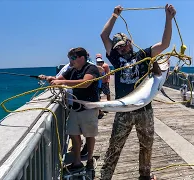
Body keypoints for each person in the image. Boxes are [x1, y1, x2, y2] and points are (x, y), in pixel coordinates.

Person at [99, 4, 176, 180]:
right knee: (115, 146)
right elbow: (103, 35)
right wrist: (114, 16)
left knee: (147, 144)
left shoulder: (143, 54)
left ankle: (145, 176)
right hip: (123, 110)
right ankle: (105, 176)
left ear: (129, 43)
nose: (122, 49)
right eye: (118, 47)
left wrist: (168, 18)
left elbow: (165, 44)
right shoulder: (115, 58)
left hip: (144, 110)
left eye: (124, 46)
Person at [46, 47, 100, 171]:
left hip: (89, 108)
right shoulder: (72, 70)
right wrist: (50, 78)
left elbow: (85, 83)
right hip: (74, 108)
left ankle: (90, 159)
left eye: (73, 57)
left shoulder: (91, 68)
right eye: (70, 58)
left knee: (89, 135)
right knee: (73, 134)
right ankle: (77, 162)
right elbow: (59, 79)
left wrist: (63, 82)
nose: (71, 60)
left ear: (82, 58)